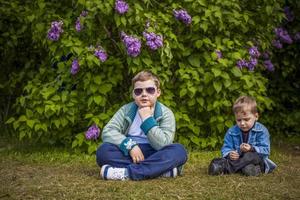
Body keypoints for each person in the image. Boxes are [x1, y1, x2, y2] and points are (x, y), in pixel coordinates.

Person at [96, 70, 188, 180]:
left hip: (155, 153)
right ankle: (159, 171)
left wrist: (147, 119)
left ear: (158, 92)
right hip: (131, 153)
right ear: (133, 94)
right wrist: (130, 146)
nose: (144, 94)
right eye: (139, 91)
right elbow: (108, 131)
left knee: (179, 151)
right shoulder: (126, 110)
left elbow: (163, 144)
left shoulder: (166, 113)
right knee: (103, 151)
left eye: (150, 90)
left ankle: (126, 173)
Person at [208, 96, 277, 176]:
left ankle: (226, 167)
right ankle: (247, 169)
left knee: (248, 156)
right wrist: (230, 153)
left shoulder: (262, 130)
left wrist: (251, 148)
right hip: (240, 159)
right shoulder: (231, 132)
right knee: (247, 168)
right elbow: (226, 148)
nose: (242, 123)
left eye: (246, 119)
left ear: (256, 116)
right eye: (239, 120)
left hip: (257, 159)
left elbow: (266, 150)